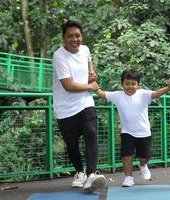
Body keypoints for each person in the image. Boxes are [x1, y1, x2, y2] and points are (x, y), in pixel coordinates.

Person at [90, 69, 170, 187]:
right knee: (126, 156)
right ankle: (128, 178)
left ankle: (143, 165)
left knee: (144, 157)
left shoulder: (143, 94)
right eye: (127, 84)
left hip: (144, 132)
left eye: (133, 84)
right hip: (127, 132)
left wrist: (168, 88)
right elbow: (102, 94)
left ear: (137, 84)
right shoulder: (117, 95)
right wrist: (95, 87)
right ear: (122, 84)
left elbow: (156, 93)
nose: (130, 86)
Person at [52, 20, 106, 192]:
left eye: (77, 35)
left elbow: (90, 66)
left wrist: (92, 73)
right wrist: (91, 86)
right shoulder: (59, 56)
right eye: (70, 36)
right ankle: (79, 172)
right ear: (63, 38)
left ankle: (91, 175)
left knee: (91, 133)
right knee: (72, 145)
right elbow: (68, 85)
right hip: (65, 108)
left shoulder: (85, 50)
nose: (75, 39)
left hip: (85, 102)